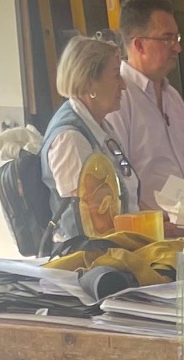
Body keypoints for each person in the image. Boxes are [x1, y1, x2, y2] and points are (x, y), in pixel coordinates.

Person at [106, 0, 184, 210]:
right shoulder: (117, 100)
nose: (177, 48)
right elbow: (115, 183)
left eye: (177, 38)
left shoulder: (172, 97)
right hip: (157, 227)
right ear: (139, 45)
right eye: (167, 39)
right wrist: (153, 223)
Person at [40, 35, 140, 240]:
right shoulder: (70, 139)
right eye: (116, 76)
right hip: (89, 255)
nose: (123, 86)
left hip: (118, 247)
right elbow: (92, 226)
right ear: (90, 83)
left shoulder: (100, 126)